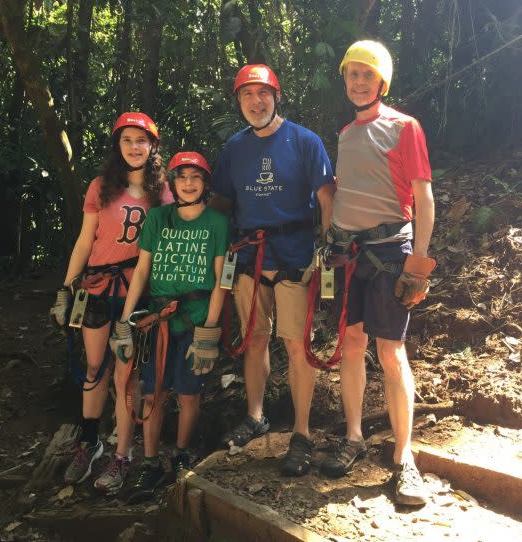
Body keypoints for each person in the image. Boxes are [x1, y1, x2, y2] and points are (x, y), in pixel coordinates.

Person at [322, 40, 436, 506]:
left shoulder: (404, 127)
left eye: (367, 75)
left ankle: (404, 458)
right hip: (349, 255)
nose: (358, 82)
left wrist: (419, 263)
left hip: (391, 252)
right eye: (352, 75)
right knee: (351, 344)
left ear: (381, 82)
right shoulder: (346, 134)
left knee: (391, 352)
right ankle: (353, 438)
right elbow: (346, 192)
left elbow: (423, 197)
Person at [211, 64, 335, 476]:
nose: (256, 101)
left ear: (276, 96)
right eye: (247, 95)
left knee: (297, 343)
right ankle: (256, 414)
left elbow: (326, 197)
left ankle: (301, 432)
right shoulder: (234, 149)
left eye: (263, 93)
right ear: (239, 102)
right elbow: (222, 205)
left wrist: (329, 244)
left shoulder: (304, 141)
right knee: (254, 339)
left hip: (294, 254)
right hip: (249, 256)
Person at [49, 112, 172, 494]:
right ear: (117, 146)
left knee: (127, 376)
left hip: (137, 294)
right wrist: (65, 290)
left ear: (152, 146)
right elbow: (85, 242)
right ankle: (88, 442)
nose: (134, 147)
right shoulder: (100, 187)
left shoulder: (164, 193)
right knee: (95, 368)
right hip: (99, 287)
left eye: (141, 140)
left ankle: (122, 455)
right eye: (127, 140)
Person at [111, 151, 229, 499]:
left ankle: (180, 456)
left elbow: (222, 280)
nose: (189, 183)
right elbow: (142, 271)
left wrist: (209, 332)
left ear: (205, 184)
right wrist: (125, 321)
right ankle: (149, 465)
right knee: (152, 393)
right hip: (157, 322)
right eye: (182, 177)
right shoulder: (158, 219)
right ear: (172, 183)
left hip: (195, 321)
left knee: (189, 393)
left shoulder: (217, 224)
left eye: (196, 177)